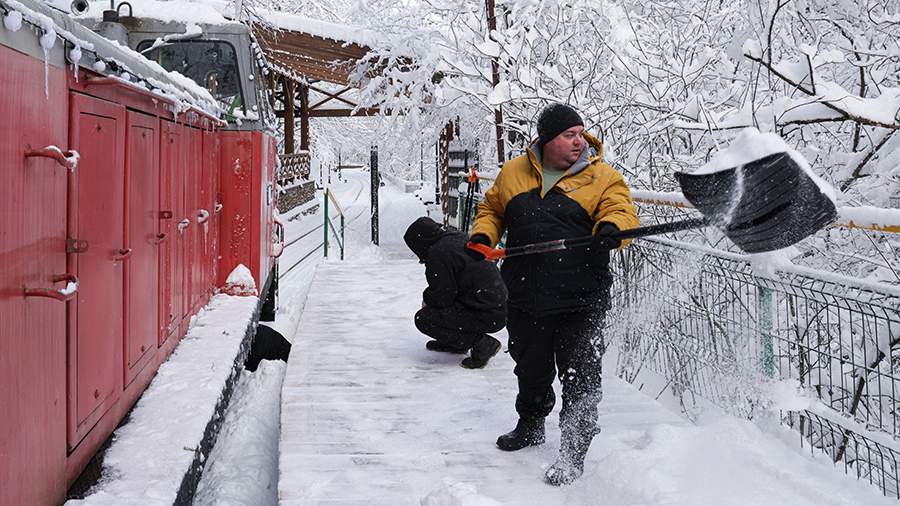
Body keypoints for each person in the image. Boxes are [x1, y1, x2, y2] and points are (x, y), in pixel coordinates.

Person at [467, 103, 639, 485]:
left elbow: (622, 209)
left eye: (581, 134)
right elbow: (492, 208)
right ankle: (530, 423)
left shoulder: (602, 177)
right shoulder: (513, 172)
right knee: (530, 366)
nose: (579, 142)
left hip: (582, 296)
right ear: (547, 140)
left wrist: (612, 227)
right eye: (569, 135)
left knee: (581, 373)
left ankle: (573, 450)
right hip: (526, 293)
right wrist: (484, 235)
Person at [404, 216, 507, 369]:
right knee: (444, 310)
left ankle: (482, 344)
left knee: (424, 319)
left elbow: (443, 296)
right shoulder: (458, 239)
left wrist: (427, 300)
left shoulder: (438, 254)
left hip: (486, 312)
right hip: (498, 307)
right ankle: (457, 344)